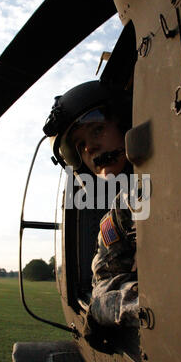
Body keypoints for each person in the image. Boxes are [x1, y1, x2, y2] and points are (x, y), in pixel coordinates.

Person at [43, 80, 139, 348]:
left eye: (97, 130)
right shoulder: (120, 211)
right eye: (80, 145)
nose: (90, 149)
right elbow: (102, 284)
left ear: (125, 125)